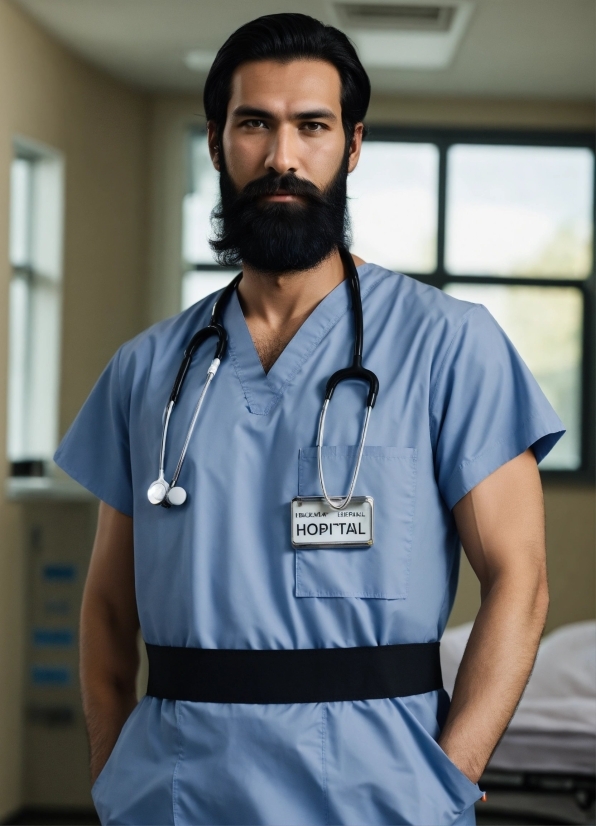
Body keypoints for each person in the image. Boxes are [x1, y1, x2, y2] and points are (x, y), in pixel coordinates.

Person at [55, 13, 564, 826]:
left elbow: (521, 579)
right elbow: (110, 611)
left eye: (312, 126)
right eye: (253, 123)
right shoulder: (149, 369)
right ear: (219, 144)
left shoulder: (448, 344)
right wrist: (117, 780)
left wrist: (449, 778)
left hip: (382, 800)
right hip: (173, 795)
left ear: (352, 147)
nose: (282, 156)